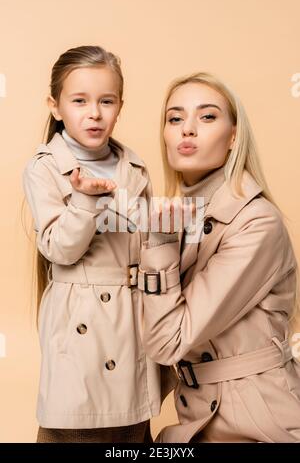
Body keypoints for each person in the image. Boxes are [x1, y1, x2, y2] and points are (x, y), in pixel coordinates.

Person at [137, 72, 300, 442]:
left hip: (260, 420)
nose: (187, 130)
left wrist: (158, 241)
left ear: (233, 137)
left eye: (207, 117)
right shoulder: (180, 216)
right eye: (175, 118)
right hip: (194, 418)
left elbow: (167, 342)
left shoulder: (258, 223)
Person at [22, 45, 161, 443]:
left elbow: (146, 240)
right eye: (79, 100)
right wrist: (84, 200)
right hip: (78, 315)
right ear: (55, 105)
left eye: (106, 101)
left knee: (131, 428)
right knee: (75, 423)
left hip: (130, 317)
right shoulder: (44, 166)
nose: (94, 113)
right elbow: (59, 250)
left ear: (120, 105)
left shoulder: (133, 166)